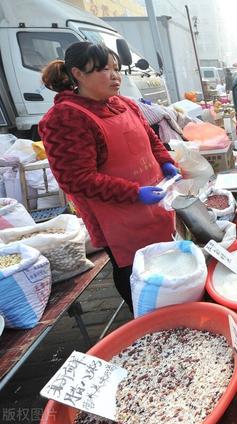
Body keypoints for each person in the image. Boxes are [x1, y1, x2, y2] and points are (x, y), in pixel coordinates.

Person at [38, 42, 176, 311]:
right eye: (103, 69)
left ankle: (173, 305)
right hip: (117, 216)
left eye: (117, 68)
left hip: (155, 203)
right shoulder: (66, 118)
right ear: (77, 74)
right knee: (134, 271)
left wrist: (166, 163)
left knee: (165, 260)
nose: (115, 76)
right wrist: (135, 193)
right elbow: (76, 179)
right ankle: (146, 317)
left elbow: (151, 139)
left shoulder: (122, 103)